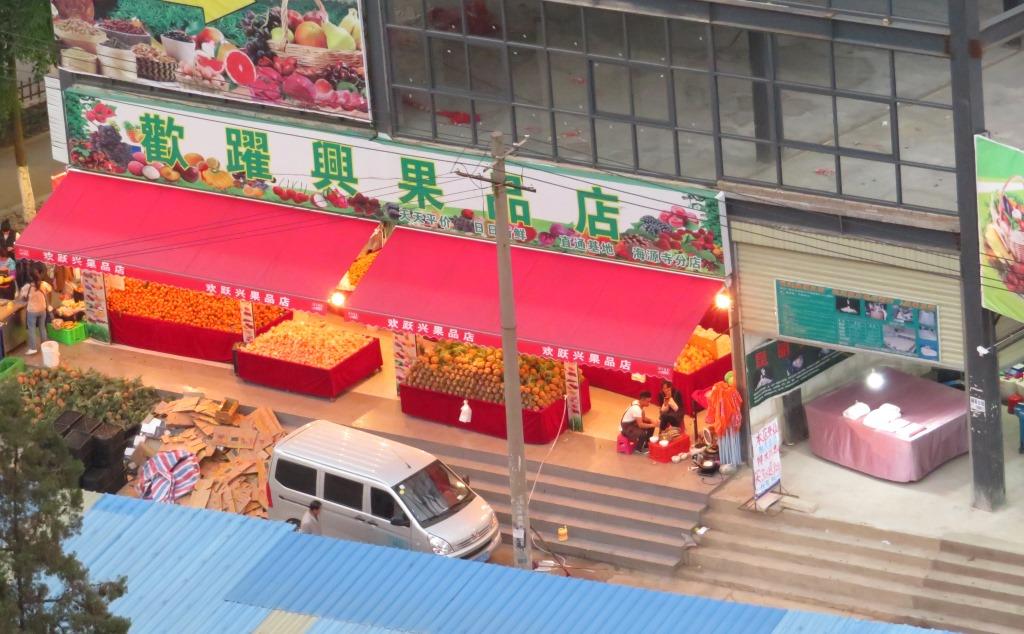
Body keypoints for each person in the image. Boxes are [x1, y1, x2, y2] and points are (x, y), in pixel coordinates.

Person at [20, 270, 51, 355]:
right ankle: (45, 346)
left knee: (32, 329)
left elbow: (22, 297)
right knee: (42, 327)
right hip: (42, 310)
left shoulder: (27, 287)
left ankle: (33, 348)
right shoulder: (43, 284)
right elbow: (49, 290)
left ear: (30, 277)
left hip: (32, 311)